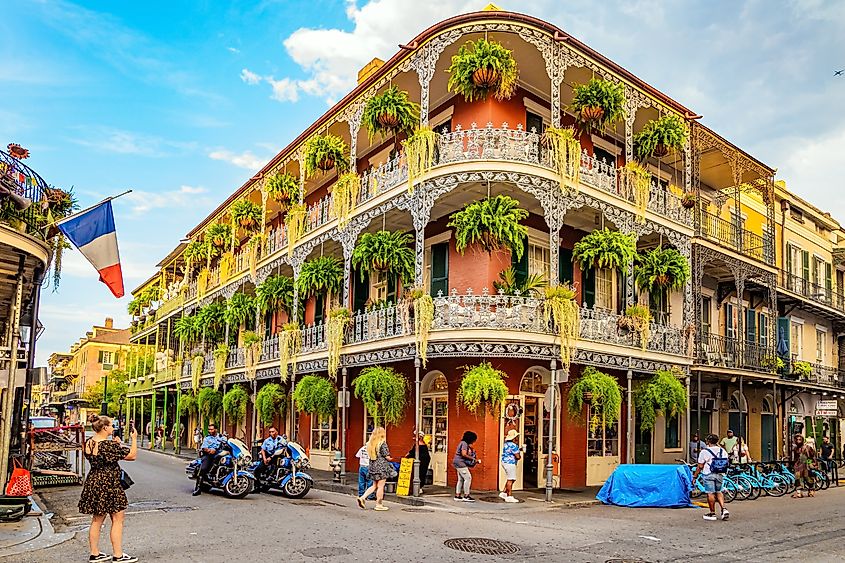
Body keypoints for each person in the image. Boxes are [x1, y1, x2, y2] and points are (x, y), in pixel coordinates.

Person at [78, 413, 138, 563]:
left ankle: (94, 553)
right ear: (105, 428)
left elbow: (103, 457)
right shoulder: (107, 445)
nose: (113, 427)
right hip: (109, 483)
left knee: (97, 520)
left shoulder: (89, 443)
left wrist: (115, 445)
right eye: (111, 425)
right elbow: (132, 456)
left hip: (94, 480)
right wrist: (134, 439)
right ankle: (118, 554)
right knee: (118, 518)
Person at [692, 433, 729, 521]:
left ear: (708, 441)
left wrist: (695, 476)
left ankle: (712, 513)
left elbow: (700, 466)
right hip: (720, 473)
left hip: (708, 473)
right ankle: (723, 509)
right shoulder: (722, 451)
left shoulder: (704, 451)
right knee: (719, 491)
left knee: (710, 493)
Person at [357, 427, 394, 511]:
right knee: (381, 486)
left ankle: (362, 497)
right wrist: (391, 459)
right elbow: (387, 456)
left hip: (372, 466)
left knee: (374, 485)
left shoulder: (370, 444)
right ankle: (379, 504)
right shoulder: (382, 444)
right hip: (381, 467)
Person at [193, 423, 224, 496]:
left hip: (220, 455)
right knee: (204, 468)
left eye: (211, 429)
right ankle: (198, 488)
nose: (210, 431)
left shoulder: (221, 437)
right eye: (209, 429)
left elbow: (228, 443)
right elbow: (204, 448)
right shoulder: (207, 438)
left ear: (216, 429)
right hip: (209, 455)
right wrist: (210, 450)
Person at [254, 426, 284, 491]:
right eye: (270, 432)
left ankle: (271, 476)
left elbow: (282, 449)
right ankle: (257, 487)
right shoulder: (267, 440)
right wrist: (264, 459)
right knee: (257, 469)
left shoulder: (281, 440)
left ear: (277, 432)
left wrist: (271, 457)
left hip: (277, 457)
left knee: (276, 462)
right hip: (268, 456)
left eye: (273, 431)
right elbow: (263, 450)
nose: (271, 433)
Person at [452, 430, 479, 502]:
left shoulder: (462, 443)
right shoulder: (464, 444)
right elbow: (463, 454)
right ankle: (466, 495)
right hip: (461, 463)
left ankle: (457, 495)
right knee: (468, 478)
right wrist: (473, 459)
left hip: (457, 462)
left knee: (460, 479)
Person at [791, 434, 816, 498]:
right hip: (798, 466)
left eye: (799, 439)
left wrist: (810, 464)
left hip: (806, 465)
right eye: (796, 439)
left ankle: (811, 490)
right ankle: (799, 492)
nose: (798, 441)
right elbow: (795, 458)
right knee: (798, 479)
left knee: (808, 479)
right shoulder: (795, 448)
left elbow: (812, 456)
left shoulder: (807, 447)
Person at [500, 429, 521, 503]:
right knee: (511, 479)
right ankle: (509, 496)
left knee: (511, 478)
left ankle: (504, 492)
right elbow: (517, 456)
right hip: (510, 463)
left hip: (504, 462)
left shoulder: (506, 444)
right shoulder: (514, 445)